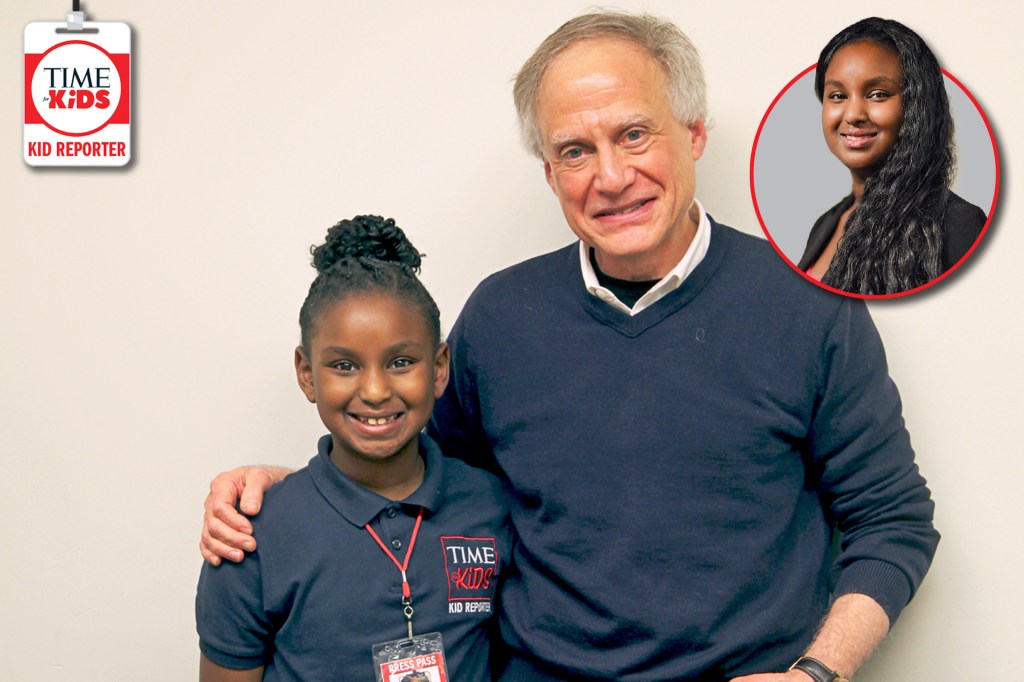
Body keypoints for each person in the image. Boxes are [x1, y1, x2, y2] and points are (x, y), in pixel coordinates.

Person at [200, 12, 939, 681]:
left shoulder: (810, 307)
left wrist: (816, 673)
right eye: (575, 151)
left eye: (634, 134)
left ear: (693, 134)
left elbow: (893, 521)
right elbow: (426, 471)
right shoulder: (499, 315)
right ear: (551, 174)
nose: (611, 177)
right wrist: (296, 489)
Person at [195, 215, 513, 681]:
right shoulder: (250, 535)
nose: (376, 390)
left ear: (440, 367)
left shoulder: (490, 505)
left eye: (401, 362)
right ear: (307, 374)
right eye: (344, 365)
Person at [798, 17, 987, 295]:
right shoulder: (826, 223)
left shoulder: (959, 223)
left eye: (877, 94)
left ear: (916, 107)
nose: (852, 114)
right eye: (837, 95)